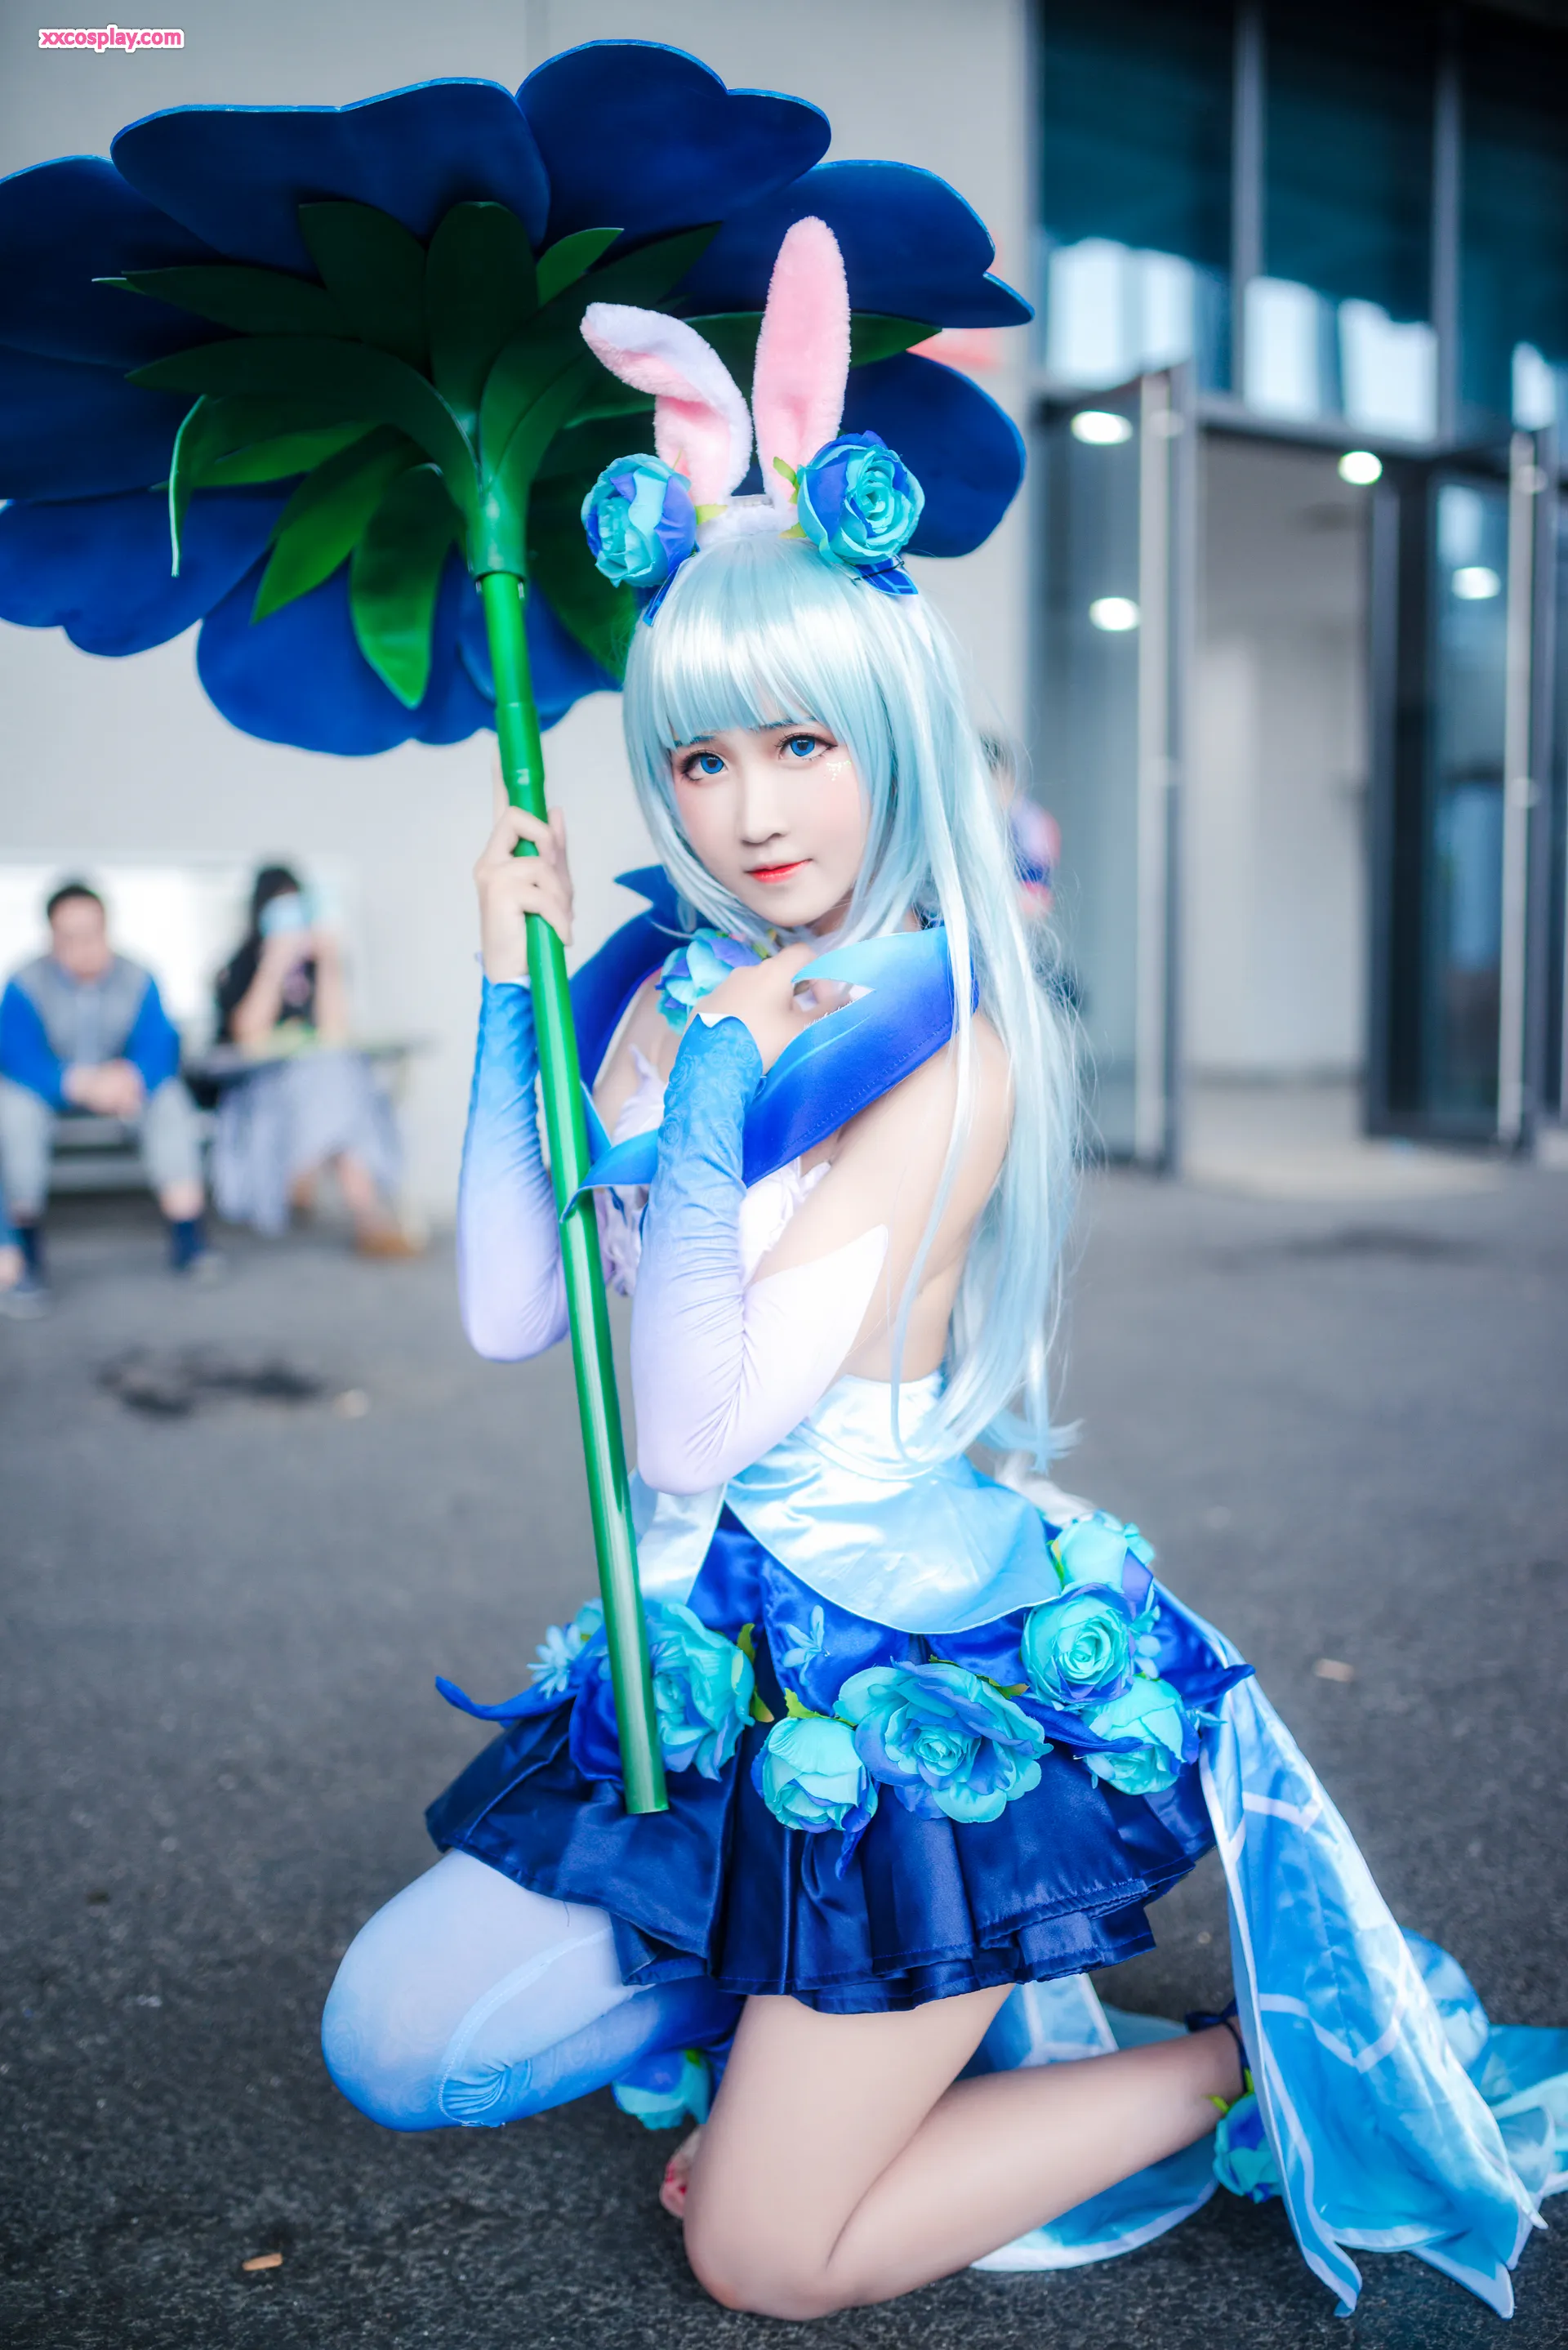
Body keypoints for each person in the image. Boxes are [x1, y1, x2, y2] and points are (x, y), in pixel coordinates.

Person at [319, 225, 1562, 2323]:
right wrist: (515, 996)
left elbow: (693, 1423)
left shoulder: (945, 1050)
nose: (749, 811)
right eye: (702, 757)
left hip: (897, 1679)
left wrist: (709, 1100)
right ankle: (776, 2028)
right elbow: (513, 1313)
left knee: (763, 2252)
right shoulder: (658, 988)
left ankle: (1228, 2059)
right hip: (704, 1651)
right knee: (397, 2047)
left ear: (891, 732)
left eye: (800, 745)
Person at [0, 879, 218, 1302]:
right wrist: (75, 1083)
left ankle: (189, 1236)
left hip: (123, 1090)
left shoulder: (138, 977)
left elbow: (160, 1043)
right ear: (51, 938)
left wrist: (132, 1077)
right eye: (70, 937)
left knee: (169, 1100)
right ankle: (23, 1247)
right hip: (50, 1092)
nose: (83, 946)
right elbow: (16, 1056)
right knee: (14, 1112)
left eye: (92, 934)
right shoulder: (23, 983)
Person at [209, 866, 416, 1255]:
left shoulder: (319, 965)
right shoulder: (239, 966)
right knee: (342, 1090)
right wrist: (274, 964)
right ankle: (366, 1213)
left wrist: (329, 959)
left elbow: (334, 1032)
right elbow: (248, 1035)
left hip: (321, 1083)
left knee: (337, 1077)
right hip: (264, 1086)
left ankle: (312, 1174)